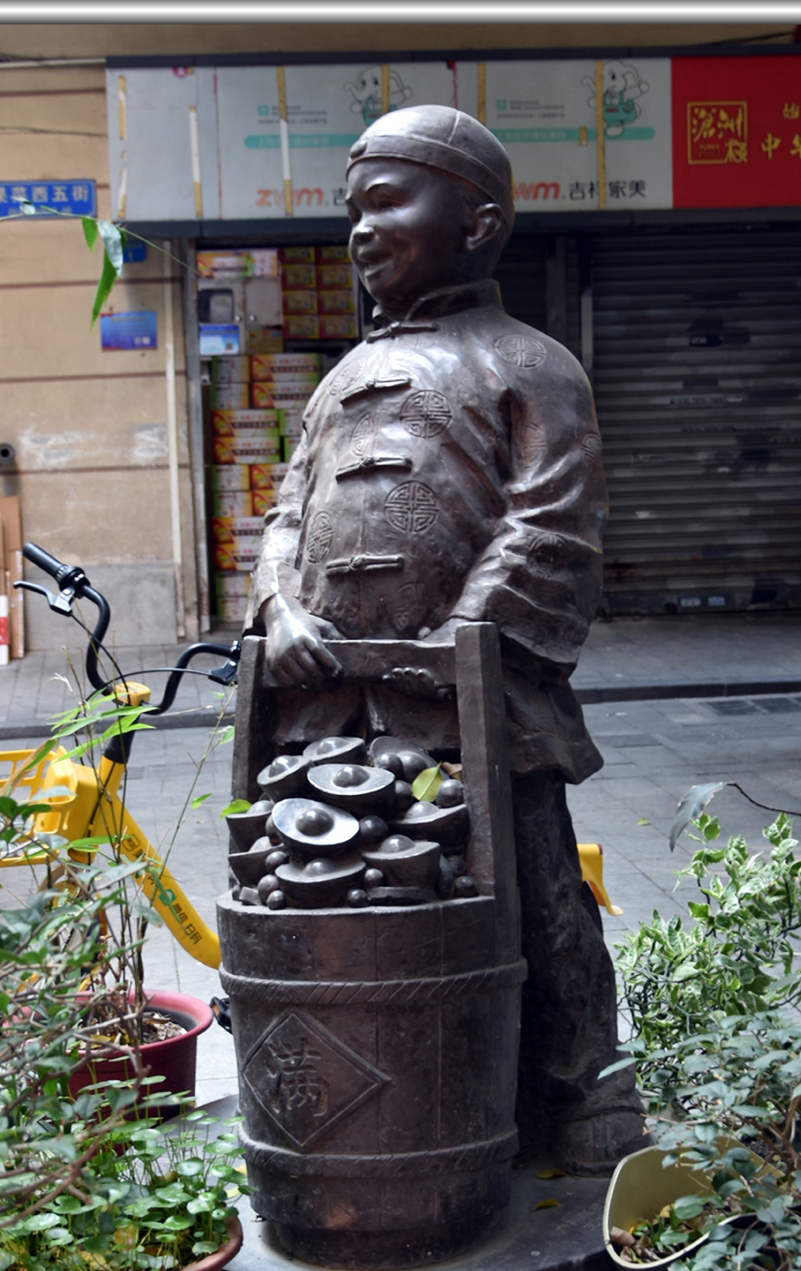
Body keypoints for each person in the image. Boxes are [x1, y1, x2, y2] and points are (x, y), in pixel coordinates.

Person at [245, 104, 644, 1172]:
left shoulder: (532, 365)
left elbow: (551, 520)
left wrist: (465, 638)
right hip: (334, 705)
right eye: (352, 211)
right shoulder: (337, 381)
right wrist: (280, 610)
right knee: (352, 891)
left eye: (386, 203)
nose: (361, 231)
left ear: (478, 223)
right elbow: (286, 514)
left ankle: (583, 1090)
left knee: (536, 894)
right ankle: (394, 1102)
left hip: (480, 697)